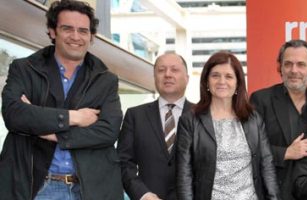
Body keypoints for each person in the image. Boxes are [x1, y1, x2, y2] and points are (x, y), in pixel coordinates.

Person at [0, 0, 123, 199]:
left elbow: (108, 131)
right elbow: (14, 114)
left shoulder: (106, 80)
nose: (76, 37)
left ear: (91, 37)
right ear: (52, 31)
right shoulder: (24, 69)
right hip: (36, 188)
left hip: (87, 191)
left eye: (83, 31)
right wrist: (74, 117)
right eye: (67, 29)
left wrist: (49, 132)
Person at [175, 52, 279, 200]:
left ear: (238, 83)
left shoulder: (253, 118)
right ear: (206, 81)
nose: (221, 81)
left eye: (229, 76)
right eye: (215, 75)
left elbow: (266, 165)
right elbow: (184, 175)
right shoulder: (190, 121)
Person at [250, 39, 307, 200]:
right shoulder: (261, 100)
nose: (293, 70)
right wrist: (286, 153)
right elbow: (249, 147)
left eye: (301, 64)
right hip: (274, 193)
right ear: (280, 68)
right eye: (288, 64)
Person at [118, 52, 192, 200]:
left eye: (174, 70)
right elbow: (123, 163)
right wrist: (143, 194)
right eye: (161, 70)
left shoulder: (203, 117)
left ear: (187, 78)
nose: (168, 74)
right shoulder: (135, 116)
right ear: (155, 78)